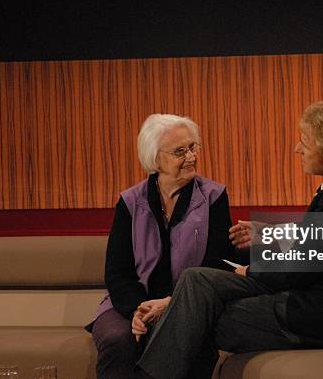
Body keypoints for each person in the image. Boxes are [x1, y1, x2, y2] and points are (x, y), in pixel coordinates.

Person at [135, 100, 323, 379]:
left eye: (304, 143)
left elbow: (303, 267)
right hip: (318, 298)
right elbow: (319, 245)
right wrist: (270, 233)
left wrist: (250, 269)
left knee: (199, 317)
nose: (298, 149)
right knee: (195, 280)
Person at [88, 114, 241, 379]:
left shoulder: (214, 197)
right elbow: (117, 271)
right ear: (154, 159)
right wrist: (139, 309)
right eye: (180, 151)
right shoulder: (130, 201)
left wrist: (170, 305)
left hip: (188, 304)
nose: (191, 157)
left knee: (188, 338)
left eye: (193, 147)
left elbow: (216, 264)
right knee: (118, 340)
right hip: (131, 303)